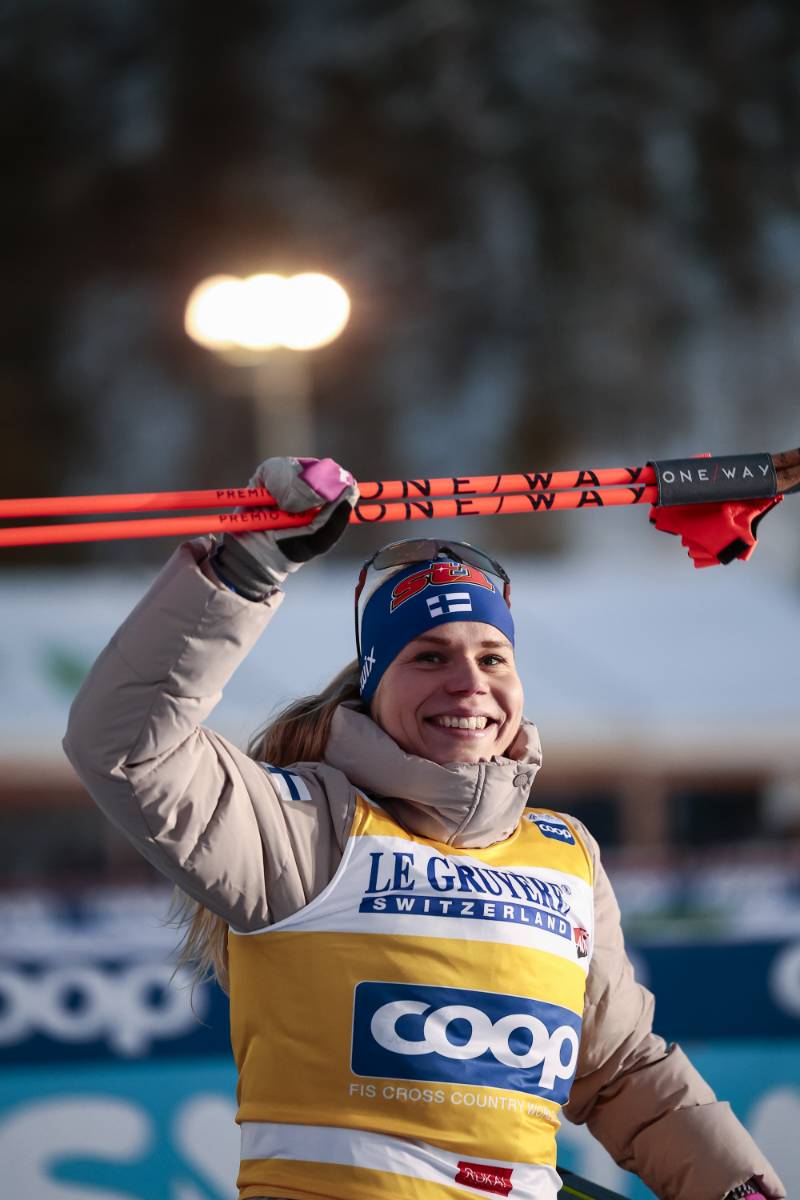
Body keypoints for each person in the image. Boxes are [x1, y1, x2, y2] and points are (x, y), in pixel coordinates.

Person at [63, 456, 784, 1200]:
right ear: (375, 685)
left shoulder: (566, 854)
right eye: (429, 656)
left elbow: (619, 1070)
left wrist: (738, 1188)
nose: (469, 683)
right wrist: (246, 566)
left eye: (493, 657)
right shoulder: (306, 828)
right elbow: (125, 745)